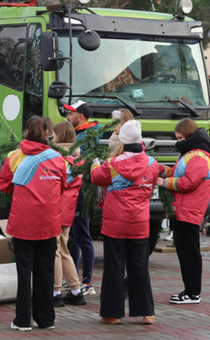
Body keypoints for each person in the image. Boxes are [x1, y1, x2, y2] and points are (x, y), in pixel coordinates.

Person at [0, 116, 67, 332]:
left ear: (27, 131)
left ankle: (22, 320)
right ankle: (46, 319)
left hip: (23, 222)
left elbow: (3, 185)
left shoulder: (14, 156)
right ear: (47, 132)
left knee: (23, 270)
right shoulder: (58, 159)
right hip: (48, 221)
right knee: (45, 271)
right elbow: (63, 186)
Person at [91, 119, 160, 325]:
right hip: (139, 223)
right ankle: (147, 313)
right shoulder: (152, 164)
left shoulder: (112, 164)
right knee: (139, 266)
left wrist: (95, 162)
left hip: (115, 223)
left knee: (114, 266)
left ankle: (112, 314)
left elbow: (96, 178)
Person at [158, 118, 210, 305]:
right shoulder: (190, 154)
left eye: (180, 138)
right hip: (183, 210)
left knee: (189, 253)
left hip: (189, 211)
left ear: (189, 136)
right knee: (185, 253)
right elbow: (179, 174)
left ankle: (193, 292)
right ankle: (189, 290)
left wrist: (164, 182)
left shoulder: (198, 156)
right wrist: (162, 170)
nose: (178, 141)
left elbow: (188, 183)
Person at [64, 99, 100, 296]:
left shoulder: (87, 136)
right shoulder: (78, 133)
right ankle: (73, 280)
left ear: (82, 116)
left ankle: (87, 283)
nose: (68, 117)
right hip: (74, 191)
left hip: (83, 191)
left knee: (82, 235)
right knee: (74, 237)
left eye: (71, 114)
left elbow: (77, 160)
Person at [50, 121, 85, 308]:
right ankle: (75, 290)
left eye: (54, 134)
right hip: (69, 209)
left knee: (55, 250)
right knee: (64, 249)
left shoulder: (57, 158)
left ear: (59, 136)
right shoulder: (78, 158)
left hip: (55, 208)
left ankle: (55, 291)